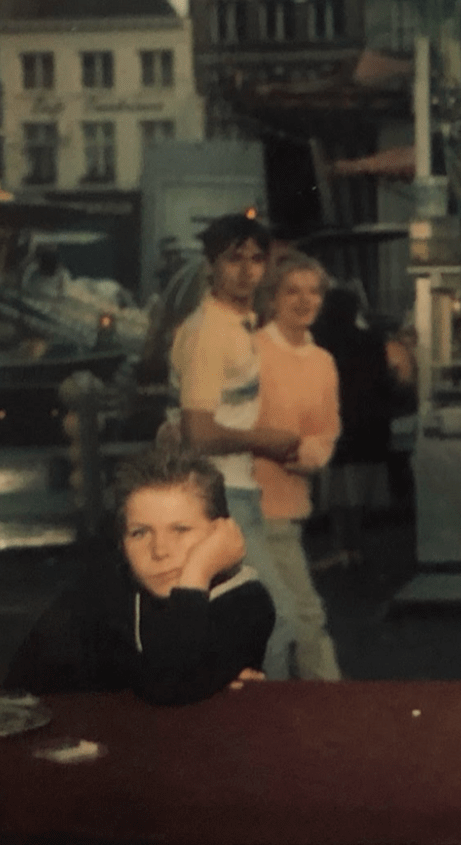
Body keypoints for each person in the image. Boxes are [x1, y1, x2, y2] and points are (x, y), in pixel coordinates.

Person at [4, 447, 274, 704]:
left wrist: (196, 574)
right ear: (121, 542)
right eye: (140, 533)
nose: (160, 550)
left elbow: (169, 684)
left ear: (221, 534)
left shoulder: (246, 600)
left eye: (180, 530)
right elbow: (20, 686)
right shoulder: (102, 591)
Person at [170, 213, 299, 681]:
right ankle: (270, 720)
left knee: (249, 620)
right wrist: (266, 442)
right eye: (233, 259)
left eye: (256, 259)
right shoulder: (210, 332)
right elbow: (198, 432)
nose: (246, 271)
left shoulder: (240, 323)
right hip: (220, 494)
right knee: (278, 622)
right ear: (210, 265)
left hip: (240, 489)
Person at [252, 251, 343, 680]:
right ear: (272, 298)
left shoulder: (322, 362)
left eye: (313, 292)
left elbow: (325, 433)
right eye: (293, 291)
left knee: (286, 618)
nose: (305, 301)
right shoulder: (252, 353)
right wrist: (289, 448)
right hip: (251, 507)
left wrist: (302, 454)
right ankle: (330, 704)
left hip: (290, 507)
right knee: (302, 615)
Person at [311, 286, 392, 570]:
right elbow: (384, 383)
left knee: (336, 491)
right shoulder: (371, 340)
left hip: (334, 423)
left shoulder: (319, 340)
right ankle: (357, 546)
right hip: (369, 425)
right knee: (360, 490)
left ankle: (340, 547)